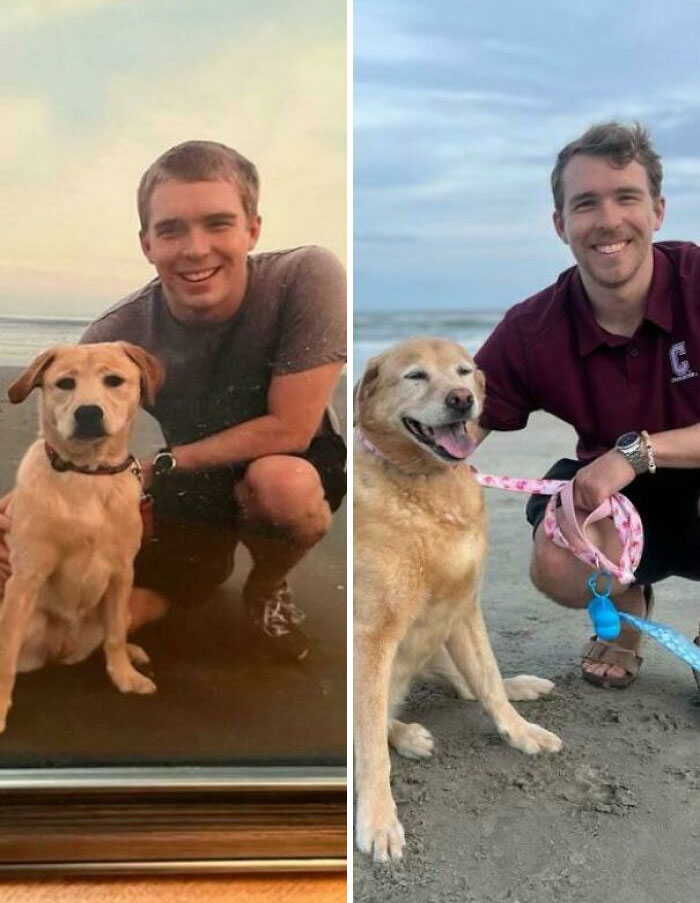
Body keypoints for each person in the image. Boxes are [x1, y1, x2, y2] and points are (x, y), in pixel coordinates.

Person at [0, 140, 346, 661]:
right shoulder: (115, 335)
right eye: (171, 230)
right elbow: (71, 438)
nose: (195, 248)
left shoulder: (306, 275)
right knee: (87, 635)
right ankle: (194, 572)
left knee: (282, 485)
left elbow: (290, 428)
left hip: (290, 463)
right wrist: (21, 509)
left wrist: (153, 466)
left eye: (218, 223)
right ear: (146, 243)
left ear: (253, 228)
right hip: (190, 480)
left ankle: (268, 584)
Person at [472, 122, 700, 689]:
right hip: (617, 501)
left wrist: (635, 453)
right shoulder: (532, 328)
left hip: (669, 469)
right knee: (560, 561)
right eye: (585, 204)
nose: (608, 221)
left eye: (627, 198)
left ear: (658, 210)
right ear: (560, 224)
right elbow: (455, 428)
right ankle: (626, 611)